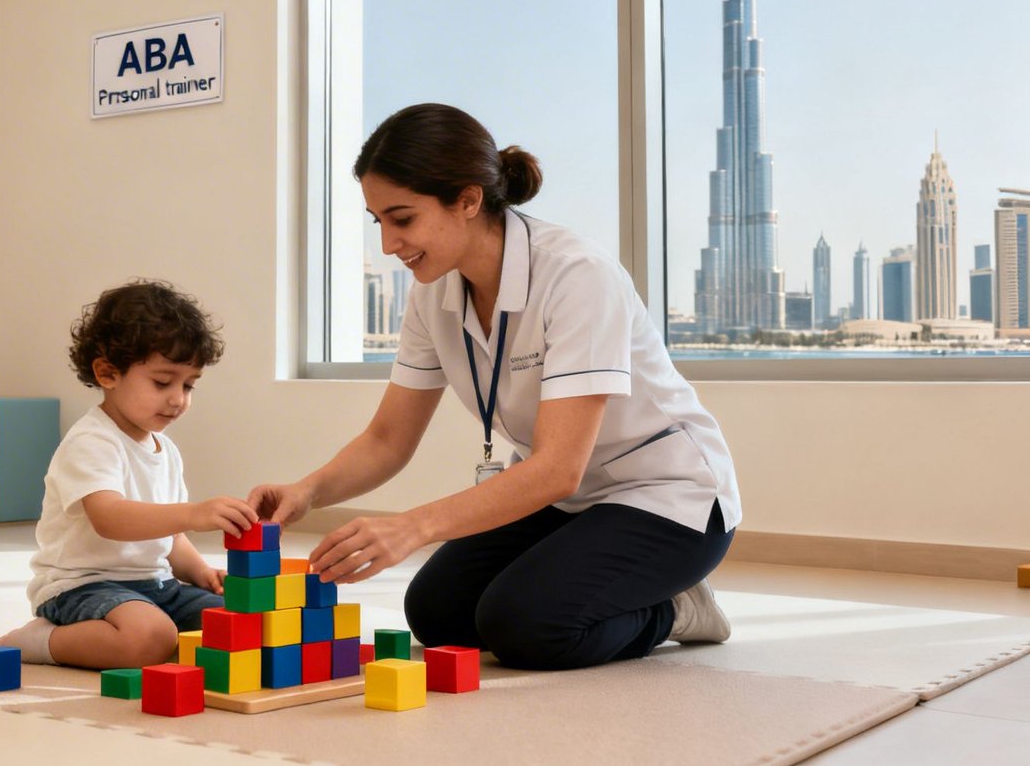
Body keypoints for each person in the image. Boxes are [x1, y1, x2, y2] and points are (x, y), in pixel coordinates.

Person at [247, 103, 741, 671]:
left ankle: (675, 610)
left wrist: (412, 527)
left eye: (402, 219)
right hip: (567, 501)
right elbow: (388, 439)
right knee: (437, 615)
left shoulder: (577, 275)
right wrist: (306, 492)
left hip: (667, 497)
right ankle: (607, 584)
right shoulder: (432, 293)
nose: (388, 243)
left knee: (526, 626)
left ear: (468, 200)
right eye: (377, 220)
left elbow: (559, 467)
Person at [0, 281, 259, 669]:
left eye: (188, 385)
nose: (178, 399)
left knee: (242, 623)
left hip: (157, 587)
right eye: (162, 382)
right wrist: (193, 512)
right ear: (107, 373)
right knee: (150, 638)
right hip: (83, 586)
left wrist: (201, 572)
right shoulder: (91, 441)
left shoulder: (164, 449)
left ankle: (149, 627)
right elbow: (110, 518)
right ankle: (40, 641)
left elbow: (170, 538)